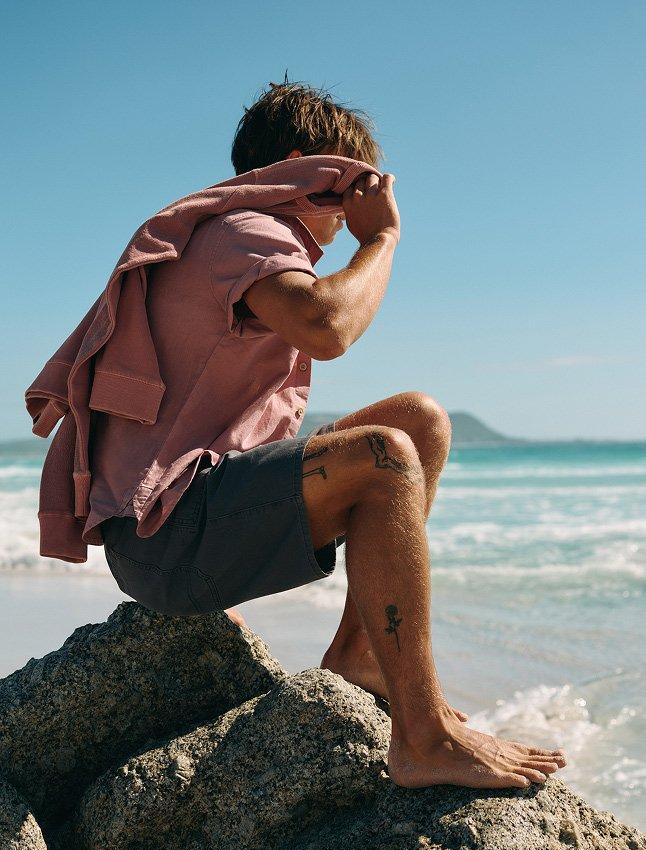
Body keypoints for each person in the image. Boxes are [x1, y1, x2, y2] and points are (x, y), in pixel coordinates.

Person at [89, 79, 569, 789]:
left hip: (192, 520)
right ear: (299, 168)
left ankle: (361, 656)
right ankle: (422, 737)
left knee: (418, 420)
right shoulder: (241, 232)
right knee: (384, 456)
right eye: (353, 182)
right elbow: (329, 324)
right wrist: (384, 235)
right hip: (168, 539)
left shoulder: (249, 238)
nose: (354, 207)